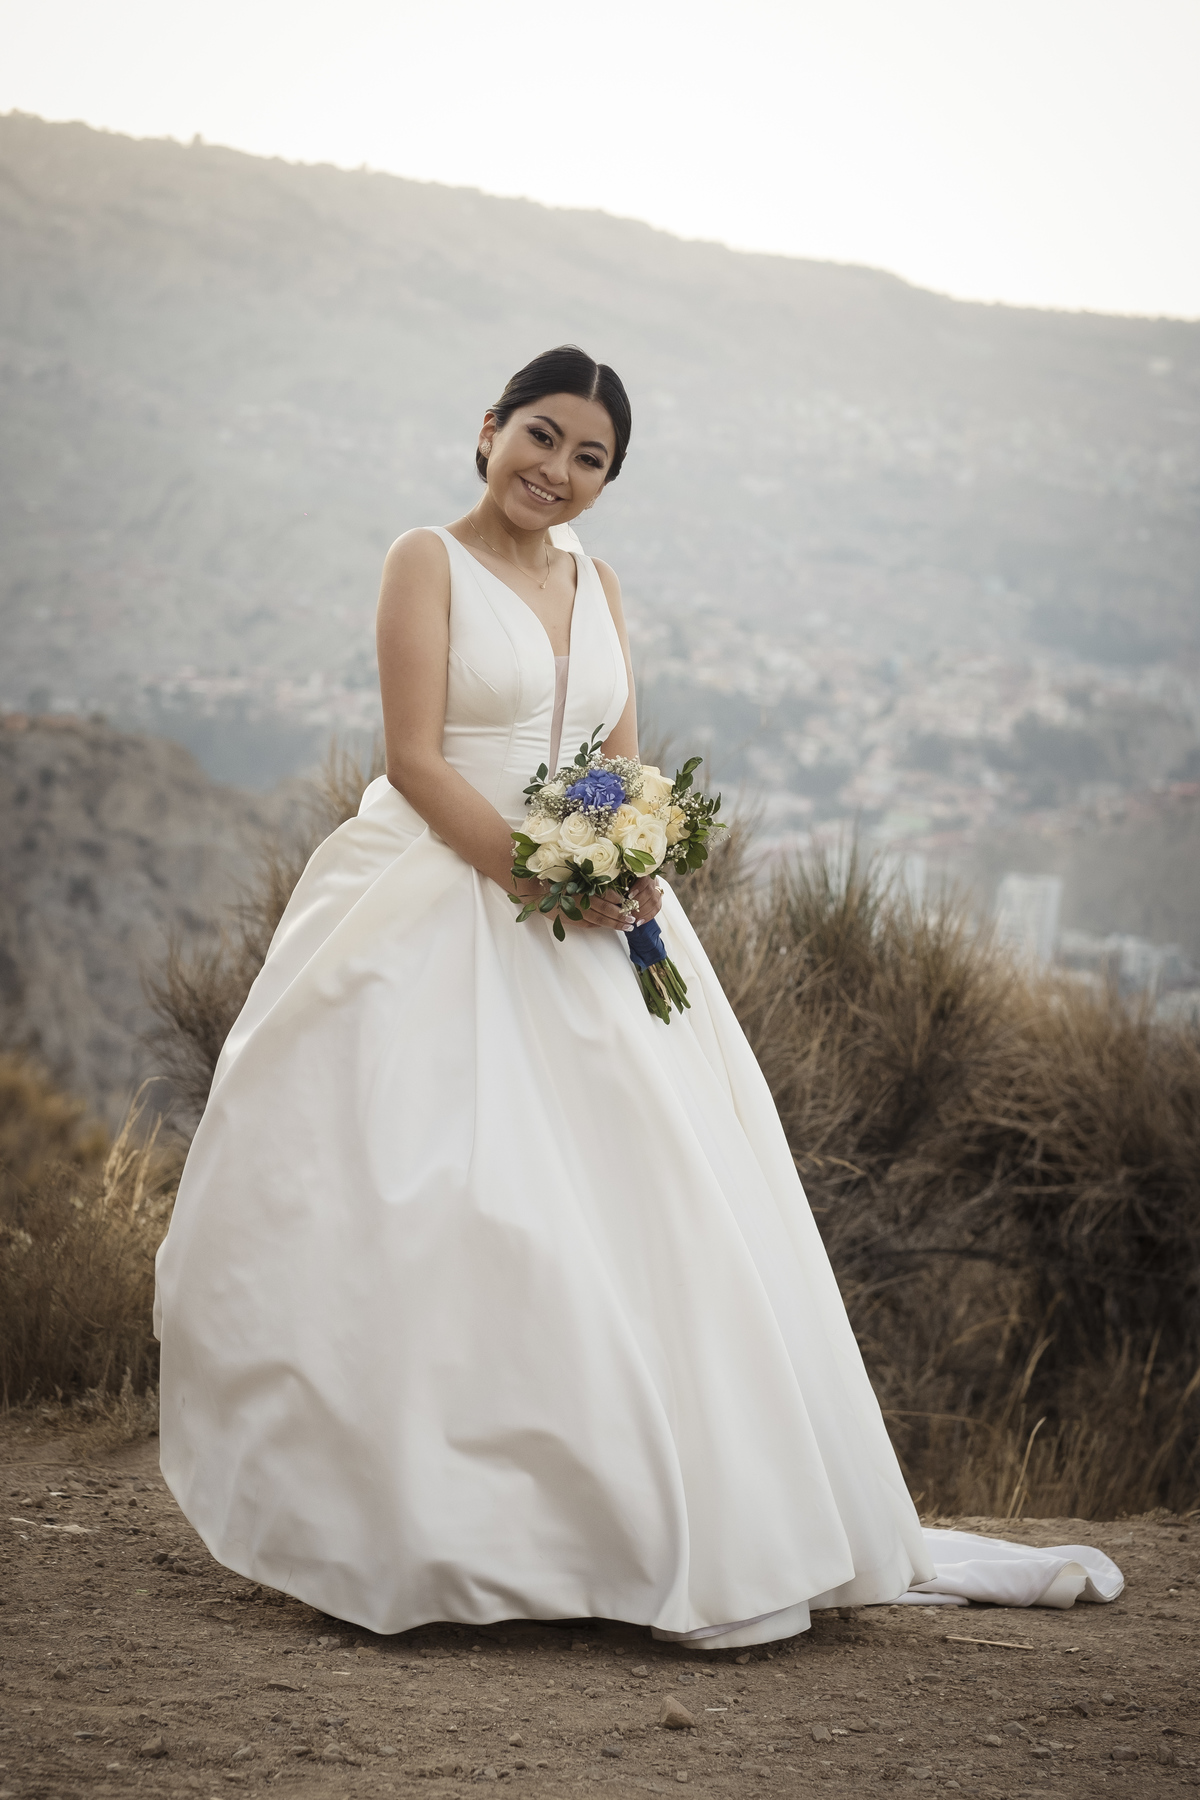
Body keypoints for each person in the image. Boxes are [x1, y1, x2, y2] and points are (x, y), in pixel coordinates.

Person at [153, 346, 1116, 1649]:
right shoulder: (423, 562)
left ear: (610, 478)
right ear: (488, 429)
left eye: (591, 457)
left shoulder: (598, 585)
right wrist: (542, 876)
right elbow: (418, 759)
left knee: (653, 1202)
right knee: (443, 1198)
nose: (557, 470)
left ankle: (668, 1515)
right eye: (540, 436)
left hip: (601, 918)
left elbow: (619, 761)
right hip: (442, 896)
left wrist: (634, 865)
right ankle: (439, 1519)